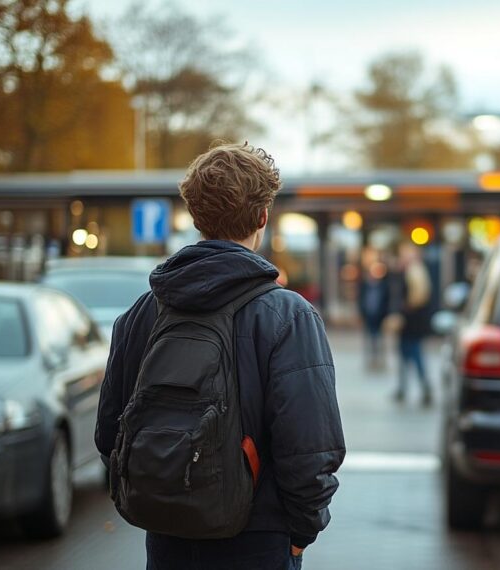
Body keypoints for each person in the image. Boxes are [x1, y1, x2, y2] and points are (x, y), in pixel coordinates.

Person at [95, 142, 345, 570]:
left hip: (167, 536)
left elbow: (109, 434)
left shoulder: (141, 313)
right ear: (264, 216)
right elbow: (310, 448)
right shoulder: (288, 316)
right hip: (259, 537)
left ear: (196, 218)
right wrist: (301, 533)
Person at [391, 242, 433, 406]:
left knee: (413, 355)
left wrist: (403, 311)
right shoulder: (413, 270)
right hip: (411, 323)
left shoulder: (414, 271)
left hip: (411, 323)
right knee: (407, 356)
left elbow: (416, 298)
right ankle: (406, 388)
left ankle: (421, 388)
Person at [357, 247, 390, 370]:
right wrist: (361, 313)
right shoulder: (365, 285)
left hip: (380, 316)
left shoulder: (384, 286)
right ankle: (370, 361)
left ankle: (380, 361)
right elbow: (361, 300)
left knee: (379, 340)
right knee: (369, 339)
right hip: (369, 315)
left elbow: (387, 302)